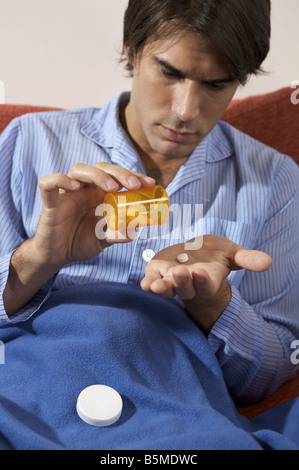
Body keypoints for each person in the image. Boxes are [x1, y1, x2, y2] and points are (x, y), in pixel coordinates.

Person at [0, 0, 298, 405]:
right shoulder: (28, 142)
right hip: (33, 402)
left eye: (216, 84)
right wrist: (37, 259)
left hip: (177, 417)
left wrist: (212, 302)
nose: (185, 111)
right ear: (131, 49)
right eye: (169, 72)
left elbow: (272, 374)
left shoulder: (277, 181)